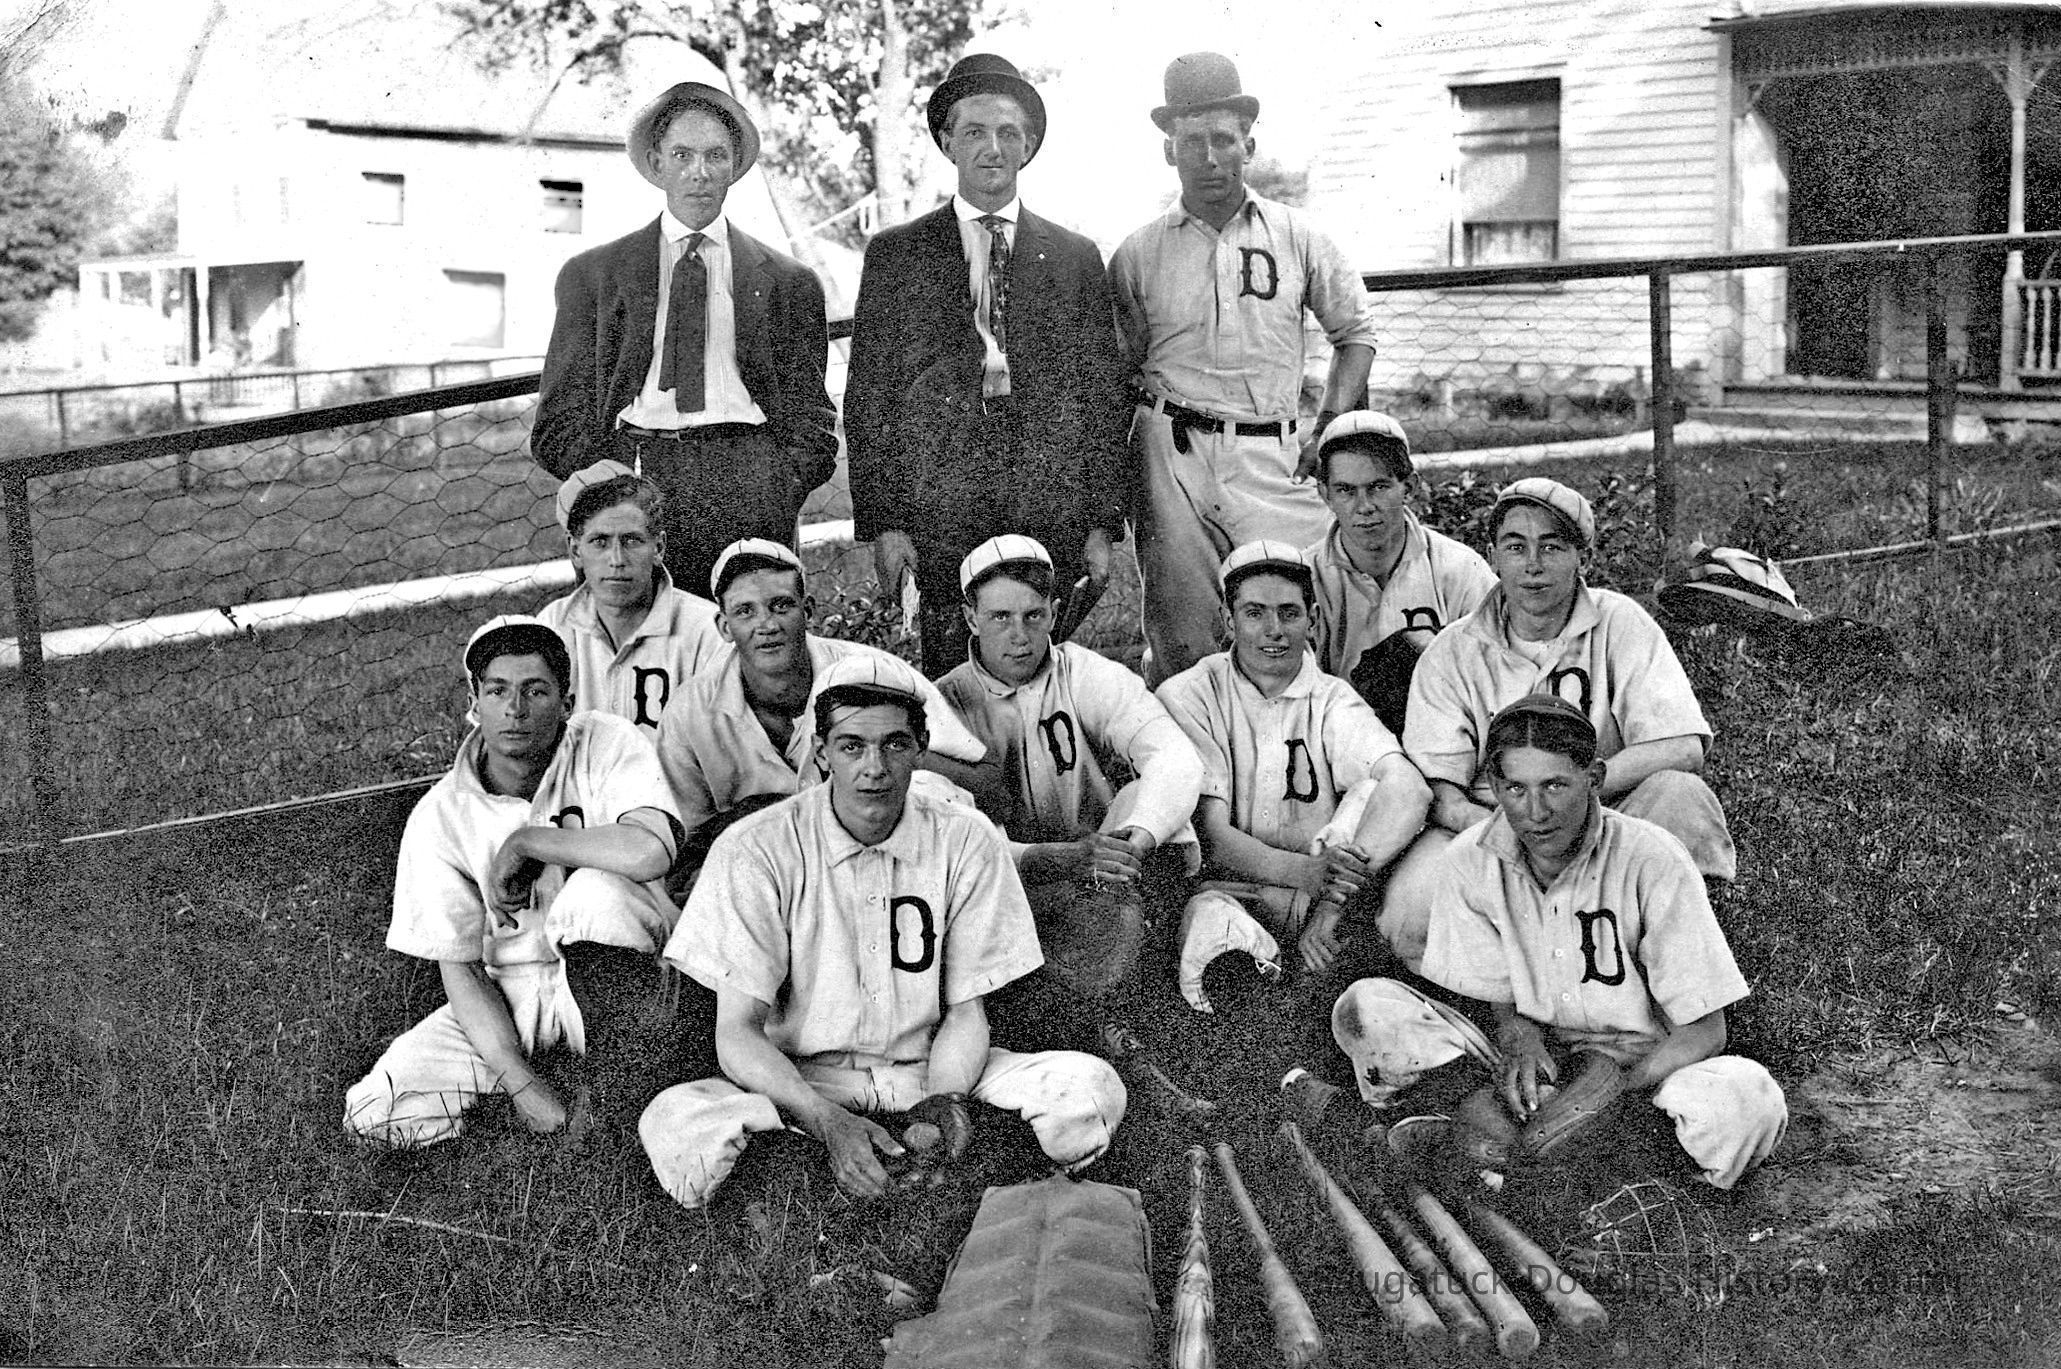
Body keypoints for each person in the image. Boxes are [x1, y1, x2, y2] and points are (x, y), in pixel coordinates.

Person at [637, 653, 1127, 1209]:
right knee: (678, 1126)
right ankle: (911, 1177)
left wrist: (943, 1104)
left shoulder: (967, 839)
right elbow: (738, 1034)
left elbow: (967, 1013)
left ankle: (852, 1181)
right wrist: (828, 1122)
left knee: (1088, 1093)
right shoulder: (755, 847)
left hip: (929, 1072)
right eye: (852, 746)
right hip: (802, 1083)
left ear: (921, 748)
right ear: (821, 752)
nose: (874, 767)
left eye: (894, 744)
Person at [1331, 695, 1786, 1191]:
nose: (1536, 811)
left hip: (1641, 1072)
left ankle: (1536, 1163)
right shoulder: (1468, 859)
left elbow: (1704, 1032)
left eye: (1555, 785)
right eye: (1516, 789)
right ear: (1495, 787)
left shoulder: (1654, 858)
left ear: (1593, 778)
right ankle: (1510, 1141)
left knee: (1749, 1099)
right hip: (1531, 1071)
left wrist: (1606, 1099)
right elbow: (1495, 994)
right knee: (1367, 1008)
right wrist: (1518, 1036)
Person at [343, 616, 683, 1145]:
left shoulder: (604, 741)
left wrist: (528, 843)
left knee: (594, 894)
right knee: (376, 1113)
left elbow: (649, 851)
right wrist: (523, 1085)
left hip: (628, 966)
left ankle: (616, 1091)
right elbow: (460, 969)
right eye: (497, 691)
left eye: (535, 691)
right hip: (515, 991)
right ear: (474, 703)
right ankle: (538, 1102)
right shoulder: (441, 813)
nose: (515, 709)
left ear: (567, 702)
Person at [844, 53, 1131, 673]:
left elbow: (1103, 397)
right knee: (954, 670)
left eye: (1007, 133)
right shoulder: (898, 254)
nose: (991, 148)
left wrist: (1101, 523)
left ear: (1028, 146)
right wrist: (887, 523)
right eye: (974, 132)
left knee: (1041, 661)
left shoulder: (1074, 257)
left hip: (1047, 493)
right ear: (948, 142)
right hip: (942, 500)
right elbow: (869, 396)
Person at [1379, 476, 1737, 968]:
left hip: (1606, 808)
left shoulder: (1620, 621)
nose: (1533, 564)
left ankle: (1679, 971)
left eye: (1551, 546)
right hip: (1494, 820)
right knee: (1411, 908)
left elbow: (1683, 746)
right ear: (1493, 556)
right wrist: (1507, 831)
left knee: (1680, 797)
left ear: (1581, 558)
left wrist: (1581, 789)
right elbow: (1441, 791)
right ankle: (1512, 994)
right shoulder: (1452, 650)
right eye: (1516, 546)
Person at [1111, 52, 1381, 685]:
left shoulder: (1298, 235)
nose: (1209, 158)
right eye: (1192, 142)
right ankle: (1191, 743)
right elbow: (1119, 369)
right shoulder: (1138, 252)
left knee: (1299, 615)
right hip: (1171, 454)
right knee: (1183, 635)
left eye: (1224, 140)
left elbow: (1355, 334)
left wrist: (1329, 427)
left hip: (1271, 450)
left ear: (1248, 145)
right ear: (1169, 150)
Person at [532, 82, 838, 598]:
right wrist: (609, 486)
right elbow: (556, 422)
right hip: (638, 480)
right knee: (642, 632)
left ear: (734, 166)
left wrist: (778, 482)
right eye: (682, 155)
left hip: (750, 480)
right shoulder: (595, 276)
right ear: (657, 164)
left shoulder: (788, 282)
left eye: (716, 155)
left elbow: (813, 418)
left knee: (749, 633)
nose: (700, 172)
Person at [1154, 542, 1430, 1001]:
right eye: (1254, 613)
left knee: (1375, 789)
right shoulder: (1189, 694)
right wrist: (1307, 872)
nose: (1274, 631)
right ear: (1228, 621)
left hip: (1320, 902)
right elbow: (1211, 834)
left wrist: (1330, 903)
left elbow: (1410, 789)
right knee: (1217, 941)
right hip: (1226, 894)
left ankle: (1315, 988)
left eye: (1289, 613)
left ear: (1312, 619)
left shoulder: (1332, 698)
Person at [937, 535, 1205, 1001]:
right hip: (1012, 877)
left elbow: (1172, 754)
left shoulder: (1081, 672)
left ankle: (1128, 991)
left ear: (1054, 613)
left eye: (1033, 616)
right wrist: (1056, 858)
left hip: (1104, 872)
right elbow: (946, 832)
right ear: (970, 619)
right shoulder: (945, 701)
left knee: (1149, 806)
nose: (1019, 635)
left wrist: (1133, 842)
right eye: (1000, 617)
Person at [652, 538, 988, 874]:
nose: (767, 625)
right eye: (745, 611)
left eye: (781, 606)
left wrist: (890, 750)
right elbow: (683, 845)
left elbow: (987, 783)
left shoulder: (876, 674)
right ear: (724, 627)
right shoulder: (690, 712)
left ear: (808, 611)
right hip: (765, 875)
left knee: (926, 789)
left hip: (886, 865)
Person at [1302, 412, 1495, 735]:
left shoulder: (1461, 569)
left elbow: (1497, 677)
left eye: (1378, 487)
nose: (1364, 506)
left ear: (1409, 486)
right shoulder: (1303, 577)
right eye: (1346, 490)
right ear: (1325, 494)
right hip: (1339, 741)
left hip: (1445, 737)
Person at [535, 460, 726, 737]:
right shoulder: (552, 626)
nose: (617, 560)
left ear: (658, 548)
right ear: (575, 551)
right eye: (600, 542)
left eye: (632, 541)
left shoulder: (706, 633)